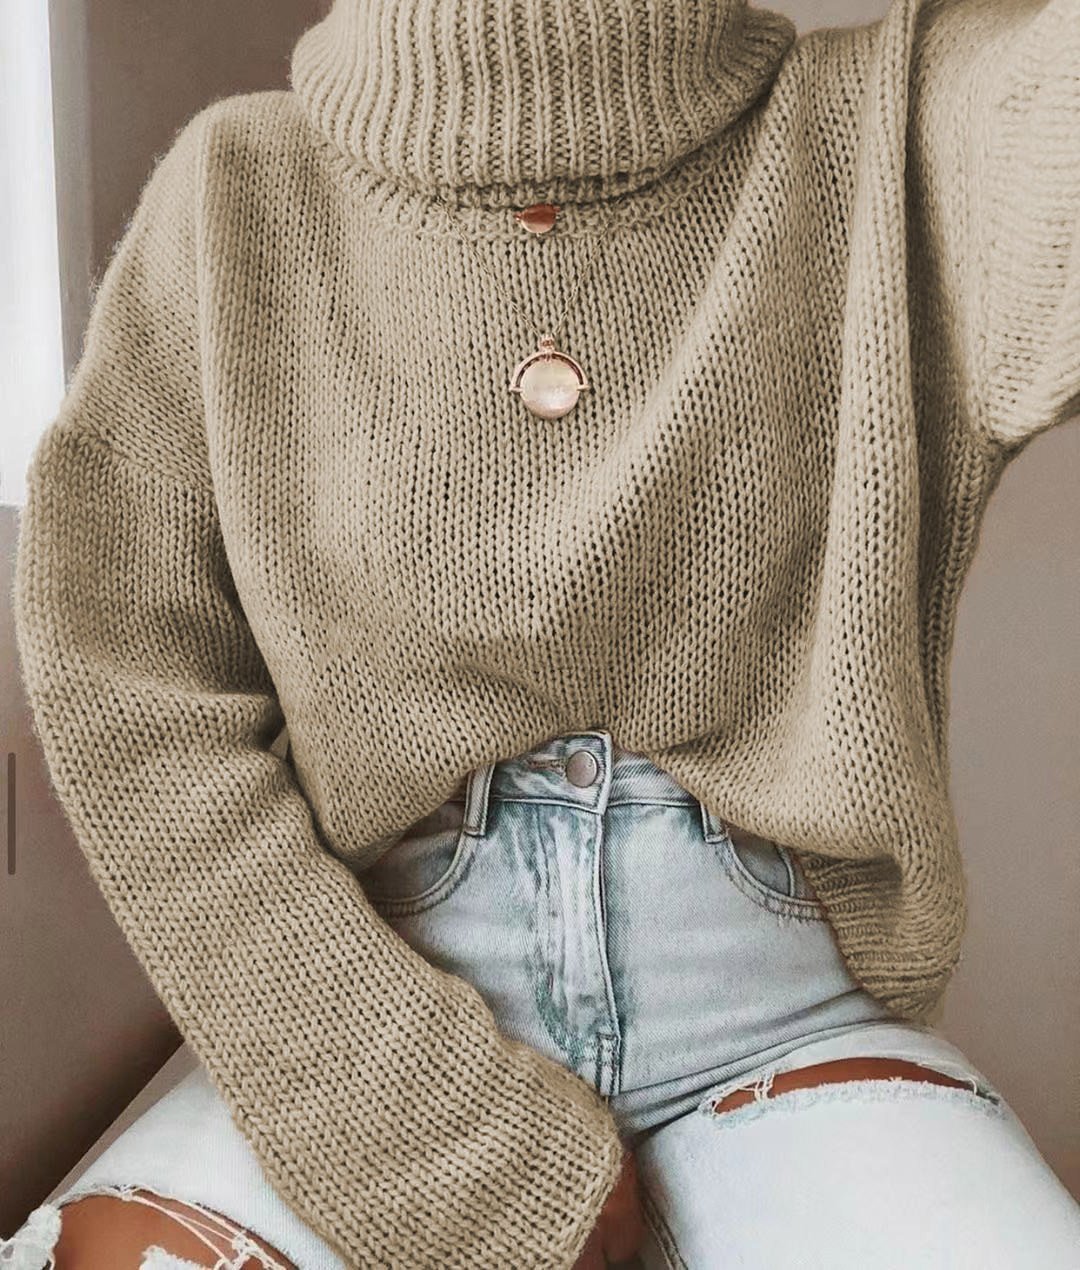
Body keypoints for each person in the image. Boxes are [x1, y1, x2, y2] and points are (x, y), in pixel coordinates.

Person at [4, 0, 1079, 1265]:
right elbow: (130, 697)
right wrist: (422, 1130)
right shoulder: (235, 189)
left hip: (776, 1025)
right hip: (370, 1018)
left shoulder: (900, 125)